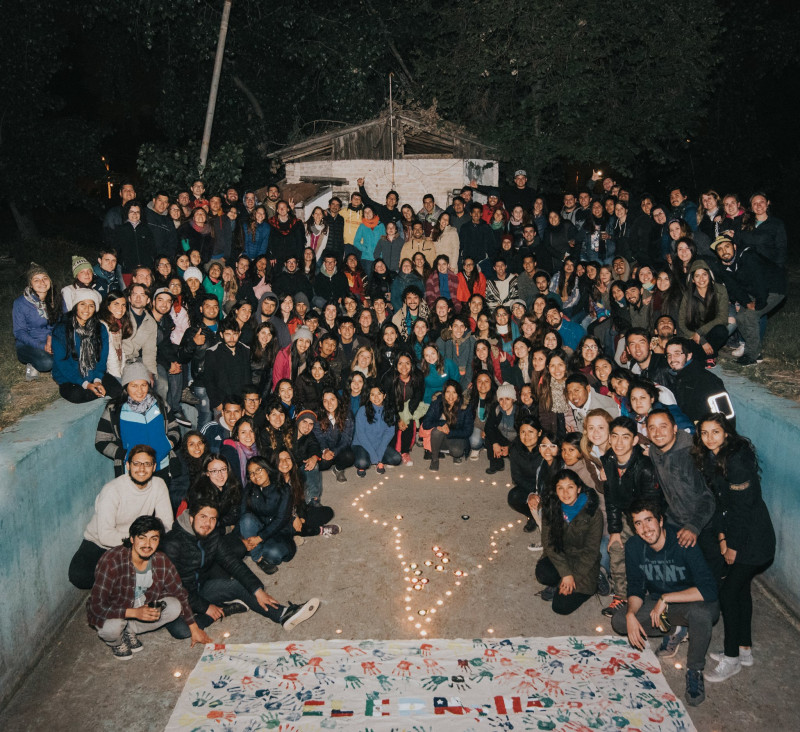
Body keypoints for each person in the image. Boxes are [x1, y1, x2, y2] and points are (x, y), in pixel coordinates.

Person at [163, 495, 320, 638]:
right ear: (191, 518)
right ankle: (222, 610)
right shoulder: (172, 544)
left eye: (212, 519)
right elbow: (177, 588)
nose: (208, 524)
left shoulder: (211, 535)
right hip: (175, 599)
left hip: (201, 587)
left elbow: (233, 563)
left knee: (238, 586)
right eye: (203, 517)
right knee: (181, 630)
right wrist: (205, 608)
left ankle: (283, 614)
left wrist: (258, 591)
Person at [612, 498, 720, 707]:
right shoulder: (634, 546)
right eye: (638, 523)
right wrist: (631, 614)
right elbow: (636, 587)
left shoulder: (683, 541)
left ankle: (694, 670)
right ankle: (676, 630)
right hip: (660, 604)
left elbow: (709, 589)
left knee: (702, 615)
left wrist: (666, 598)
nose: (645, 528)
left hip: (693, 601)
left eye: (649, 520)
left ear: (660, 520)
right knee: (620, 621)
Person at [692, 414, 776, 683]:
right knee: (740, 592)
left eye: (715, 432)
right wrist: (721, 538)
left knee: (728, 594)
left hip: (753, 539)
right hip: (738, 533)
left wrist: (732, 547)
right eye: (704, 433)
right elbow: (720, 505)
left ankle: (732, 660)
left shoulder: (736, 462)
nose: (709, 438)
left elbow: (741, 511)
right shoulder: (714, 458)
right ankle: (744, 649)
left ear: (726, 433)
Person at [86, 515, 210, 660]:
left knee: (174, 607)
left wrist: (193, 627)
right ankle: (117, 642)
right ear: (132, 539)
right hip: (115, 611)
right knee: (111, 629)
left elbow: (180, 593)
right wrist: (134, 613)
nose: (147, 544)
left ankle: (129, 630)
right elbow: (95, 607)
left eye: (154, 539)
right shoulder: (112, 561)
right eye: (142, 538)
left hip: (139, 608)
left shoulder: (161, 560)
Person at [68, 445, 174, 590]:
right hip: (101, 544)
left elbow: (167, 524)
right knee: (79, 575)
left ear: (154, 466)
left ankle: (126, 584)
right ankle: (116, 584)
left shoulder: (159, 485)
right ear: (128, 465)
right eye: (136, 464)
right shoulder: (112, 490)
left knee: (171, 550)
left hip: (140, 542)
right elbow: (105, 535)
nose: (142, 469)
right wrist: (139, 541)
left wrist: (149, 541)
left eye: (147, 464)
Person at [646, 409, 722, 581]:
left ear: (674, 428)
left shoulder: (690, 455)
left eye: (663, 427)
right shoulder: (654, 450)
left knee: (709, 581)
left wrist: (693, 527)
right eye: (652, 428)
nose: (658, 433)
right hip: (677, 522)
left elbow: (708, 497)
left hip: (703, 526)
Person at [600, 416, 661, 618]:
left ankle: (652, 595)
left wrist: (641, 530)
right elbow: (611, 499)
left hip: (648, 518)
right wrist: (615, 530)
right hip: (626, 517)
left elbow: (652, 505)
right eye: (614, 436)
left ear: (635, 440)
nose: (619, 442)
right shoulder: (609, 460)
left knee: (640, 552)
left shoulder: (645, 467)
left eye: (625, 437)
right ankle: (621, 595)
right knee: (615, 547)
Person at [536, 469, 603, 614]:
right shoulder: (551, 507)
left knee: (560, 607)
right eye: (560, 488)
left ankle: (585, 584)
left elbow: (591, 551)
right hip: (560, 554)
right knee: (543, 574)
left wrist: (574, 577)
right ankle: (560, 581)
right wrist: (566, 574)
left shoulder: (593, 512)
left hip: (583, 562)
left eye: (570, 487)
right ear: (555, 490)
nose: (565, 493)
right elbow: (549, 544)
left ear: (578, 489)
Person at [51, 288, 117, 403]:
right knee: (77, 395)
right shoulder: (61, 330)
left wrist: (97, 380)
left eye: (91, 305)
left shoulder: (100, 328)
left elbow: (102, 358)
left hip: (94, 374)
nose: (86, 309)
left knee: (117, 389)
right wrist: (86, 384)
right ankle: (94, 391)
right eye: (82, 304)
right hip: (70, 378)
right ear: (75, 305)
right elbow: (62, 363)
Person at [13, 262, 60, 378]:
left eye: (45, 278)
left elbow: (59, 322)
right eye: (36, 280)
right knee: (46, 362)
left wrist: (50, 337)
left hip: (51, 340)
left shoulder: (55, 298)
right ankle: (32, 363)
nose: (42, 283)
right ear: (30, 284)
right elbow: (19, 332)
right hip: (29, 344)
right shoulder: (21, 303)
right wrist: (41, 345)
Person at [666, 337, 729, 423]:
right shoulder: (678, 378)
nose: (672, 359)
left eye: (677, 354)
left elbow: (726, 418)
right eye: (669, 355)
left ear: (689, 356)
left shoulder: (708, 381)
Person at [678, 261, 730, 361]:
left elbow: (722, 317)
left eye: (704, 274)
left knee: (722, 331)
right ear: (692, 279)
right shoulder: (687, 295)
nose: (701, 279)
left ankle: (708, 355)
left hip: (710, 330)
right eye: (697, 276)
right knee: (687, 350)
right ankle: (707, 355)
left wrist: (701, 332)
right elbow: (681, 322)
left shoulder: (720, 290)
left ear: (709, 276)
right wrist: (702, 341)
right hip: (693, 334)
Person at [420, 380, 473, 470]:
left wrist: (449, 431)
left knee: (457, 452)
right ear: (444, 393)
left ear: (459, 394)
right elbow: (426, 423)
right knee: (436, 431)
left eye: (454, 393)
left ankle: (450, 452)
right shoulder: (437, 401)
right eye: (448, 392)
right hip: (439, 436)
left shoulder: (465, 406)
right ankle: (435, 459)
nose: (451, 396)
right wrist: (442, 423)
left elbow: (468, 431)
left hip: (455, 435)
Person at [352, 384, 402, 476]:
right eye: (372, 394)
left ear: (384, 396)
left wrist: (379, 453)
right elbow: (361, 435)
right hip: (361, 444)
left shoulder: (389, 410)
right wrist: (375, 456)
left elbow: (389, 432)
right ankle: (367, 459)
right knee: (362, 463)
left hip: (379, 443)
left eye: (379, 394)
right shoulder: (362, 410)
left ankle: (373, 459)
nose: (376, 397)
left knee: (396, 459)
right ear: (369, 397)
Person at [313, 390, 356, 481]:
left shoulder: (347, 414)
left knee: (350, 457)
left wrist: (334, 452)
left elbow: (346, 439)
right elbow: (319, 437)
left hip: (340, 449)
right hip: (325, 450)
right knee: (324, 464)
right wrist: (325, 450)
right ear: (322, 403)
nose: (329, 404)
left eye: (332, 399)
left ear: (338, 400)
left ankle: (338, 469)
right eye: (325, 401)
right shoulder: (317, 415)